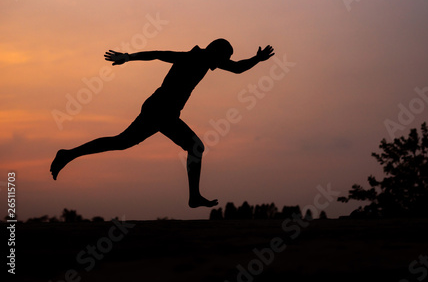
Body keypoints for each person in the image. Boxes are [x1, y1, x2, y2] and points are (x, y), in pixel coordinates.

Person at [49, 39, 275, 208]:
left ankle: (68, 154)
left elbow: (237, 68)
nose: (221, 64)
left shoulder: (207, 60)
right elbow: (158, 54)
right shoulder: (192, 57)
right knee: (192, 147)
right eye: (221, 59)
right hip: (159, 110)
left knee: (122, 142)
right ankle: (194, 196)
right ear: (214, 52)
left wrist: (257, 59)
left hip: (165, 112)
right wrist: (128, 57)